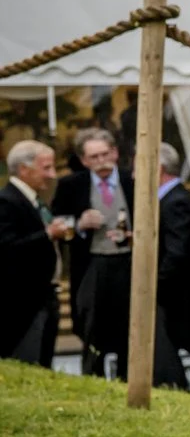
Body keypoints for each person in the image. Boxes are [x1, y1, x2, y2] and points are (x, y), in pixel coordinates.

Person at [51, 127, 133, 379]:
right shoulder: (71, 186)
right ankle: (93, 380)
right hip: (92, 265)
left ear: (115, 153)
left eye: (105, 155)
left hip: (129, 264)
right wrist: (79, 224)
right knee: (92, 327)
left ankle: (129, 380)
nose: (101, 162)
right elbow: (57, 225)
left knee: (128, 327)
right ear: (84, 160)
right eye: (94, 157)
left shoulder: (133, 181)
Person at [2, 139, 72, 366]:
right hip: (23, 304)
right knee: (27, 365)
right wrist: (48, 234)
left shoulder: (34, 201)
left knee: (43, 364)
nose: (52, 174)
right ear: (24, 169)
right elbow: (6, 247)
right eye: (46, 168)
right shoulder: (7, 201)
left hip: (44, 297)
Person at [154, 144, 190, 376]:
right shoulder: (168, 199)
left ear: (158, 169)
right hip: (170, 291)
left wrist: (156, 282)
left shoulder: (177, 201)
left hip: (174, 293)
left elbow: (177, 252)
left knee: (171, 349)